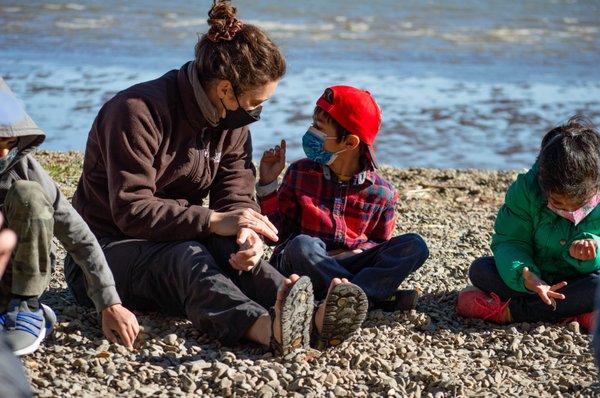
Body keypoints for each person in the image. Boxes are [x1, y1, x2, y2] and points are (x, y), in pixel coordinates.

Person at [66, 0, 357, 353]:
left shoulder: (230, 124)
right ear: (224, 90)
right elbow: (132, 210)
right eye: (254, 101)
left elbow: (236, 193)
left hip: (170, 237)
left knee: (227, 245)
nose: (256, 112)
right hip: (103, 259)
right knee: (188, 254)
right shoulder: (136, 112)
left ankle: (308, 315)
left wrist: (247, 234)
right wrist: (215, 219)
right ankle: (267, 329)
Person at [257, 86, 429, 316]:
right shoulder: (300, 172)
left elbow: (379, 242)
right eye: (312, 124)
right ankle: (366, 297)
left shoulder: (382, 192)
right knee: (302, 245)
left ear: (349, 142)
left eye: (319, 128)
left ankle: (345, 297)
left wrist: (356, 253)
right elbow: (276, 234)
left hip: (351, 262)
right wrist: (268, 184)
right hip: (304, 262)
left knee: (414, 246)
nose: (310, 132)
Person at [0, 78, 139, 357]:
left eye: (9, 143)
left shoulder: (24, 169)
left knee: (29, 194)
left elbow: (80, 238)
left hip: (14, 268)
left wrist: (108, 302)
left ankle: (25, 306)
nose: (4, 154)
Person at [457, 116, 599, 331]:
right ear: (544, 183)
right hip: (535, 277)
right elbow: (510, 241)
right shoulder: (526, 189)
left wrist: (593, 253)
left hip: (582, 279)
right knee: (480, 270)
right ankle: (574, 314)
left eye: (578, 204)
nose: (569, 210)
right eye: (559, 202)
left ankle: (512, 312)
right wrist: (526, 275)